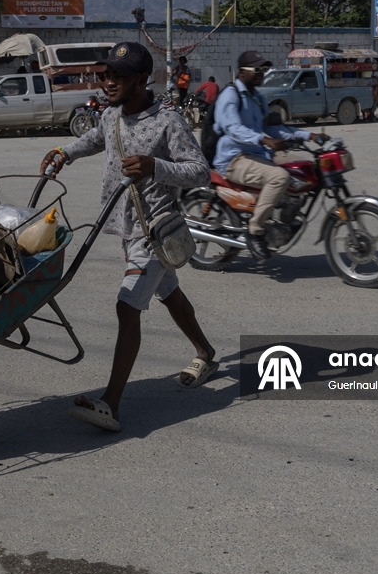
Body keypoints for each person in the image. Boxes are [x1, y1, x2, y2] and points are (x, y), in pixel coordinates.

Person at [39, 41, 214, 431]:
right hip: (127, 228)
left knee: (127, 307)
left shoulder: (168, 121)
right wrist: (63, 152)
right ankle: (205, 350)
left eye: (118, 76)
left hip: (155, 231)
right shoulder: (111, 115)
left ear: (142, 78)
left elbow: (200, 172)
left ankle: (111, 405)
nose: (108, 82)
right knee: (169, 293)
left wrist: (156, 166)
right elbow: (93, 140)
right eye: (105, 75)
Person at [212, 50, 328, 260]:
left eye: (264, 69)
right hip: (234, 158)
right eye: (257, 69)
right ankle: (254, 230)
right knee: (279, 177)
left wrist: (308, 135)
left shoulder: (257, 97)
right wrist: (263, 140)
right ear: (241, 72)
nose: (261, 73)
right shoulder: (230, 95)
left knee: (305, 168)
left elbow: (274, 129)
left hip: (257, 154)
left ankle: (285, 216)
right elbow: (232, 128)